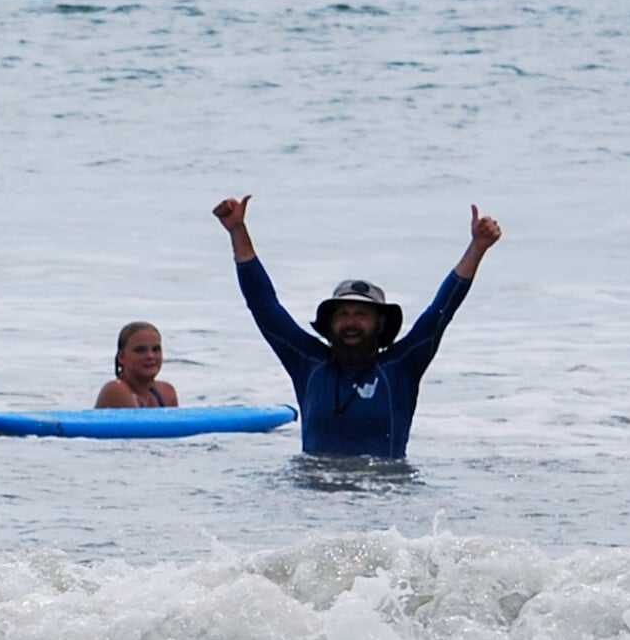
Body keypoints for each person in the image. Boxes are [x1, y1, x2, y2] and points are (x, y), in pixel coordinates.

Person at [211, 195, 503, 458]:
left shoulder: (401, 366)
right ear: (330, 323)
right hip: (316, 502)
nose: (351, 322)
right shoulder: (308, 363)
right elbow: (264, 307)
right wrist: (238, 231)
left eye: (362, 314)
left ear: (380, 324)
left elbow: (441, 310)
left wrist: (477, 248)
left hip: (384, 500)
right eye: (343, 314)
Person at [95, 321, 179, 409]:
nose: (150, 356)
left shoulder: (166, 393)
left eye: (156, 349)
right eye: (140, 350)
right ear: (121, 357)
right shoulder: (115, 390)